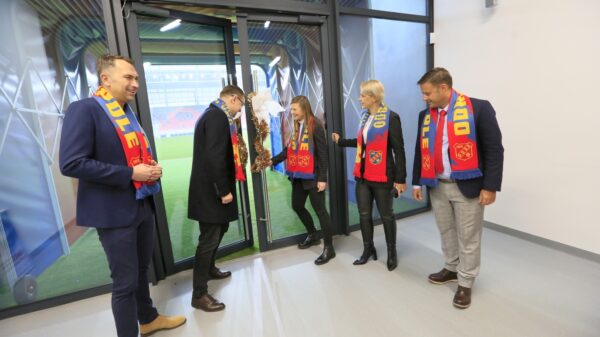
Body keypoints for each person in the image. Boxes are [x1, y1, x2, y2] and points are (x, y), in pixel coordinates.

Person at [59, 54, 186, 337]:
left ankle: (149, 319)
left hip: (142, 203)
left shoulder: (127, 112)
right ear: (105, 78)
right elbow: (71, 163)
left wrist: (149, 169)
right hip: (113, 212)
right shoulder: (85, 109)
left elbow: (131, 156)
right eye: (128, 77)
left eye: (136, 78)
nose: (135, 83)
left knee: (141, 271)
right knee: (124, 283)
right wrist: (130, 174)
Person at [412, 67, 504, 309]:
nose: (425, 98)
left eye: (427, 93)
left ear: (444, 88)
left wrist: (490, 186)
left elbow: (494, 150)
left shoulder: (478, 108)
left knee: (468, 238)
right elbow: (419, 150)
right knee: (446, 232)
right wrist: (416, 180)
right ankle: (451, 268)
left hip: (468, 185)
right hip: (437, 184)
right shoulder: (426, 115)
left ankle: (465, 282)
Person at [332, 80, 407, 271]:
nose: (359, 99)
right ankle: (368, 249)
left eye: (363, 95)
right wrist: (341, 142)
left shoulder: (391, 117)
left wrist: (400, 179)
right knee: (364, 215)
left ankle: (391, 252)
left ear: (373, 97)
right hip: (363, 176)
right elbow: (362, 144)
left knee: (386, 216)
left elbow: (399, 150)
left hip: (383, 175)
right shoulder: (365, 117)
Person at [188, 85, 247, 312]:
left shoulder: (214, 114)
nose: (239, 109)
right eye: (240, 104)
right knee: (209, 239)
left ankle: (210, 268)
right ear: (233, 98)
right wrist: (224, 191)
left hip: (209, 188)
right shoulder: (217, 117)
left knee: (219, 230)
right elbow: (215, 157)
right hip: (212, 191)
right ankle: (199, 294)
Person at [270, 95, 335, 265]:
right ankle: (313, 234)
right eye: (291, 109)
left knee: (321, 211)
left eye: (294, 109)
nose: (292, 112)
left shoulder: (316, 126)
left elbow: (323, 154)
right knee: (297, 206)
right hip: (298, 176)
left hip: (313, 177)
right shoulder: (297, 127)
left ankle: (329, 248)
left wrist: (322, 178)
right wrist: (272, 160)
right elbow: (289, 151)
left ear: (304, 108)